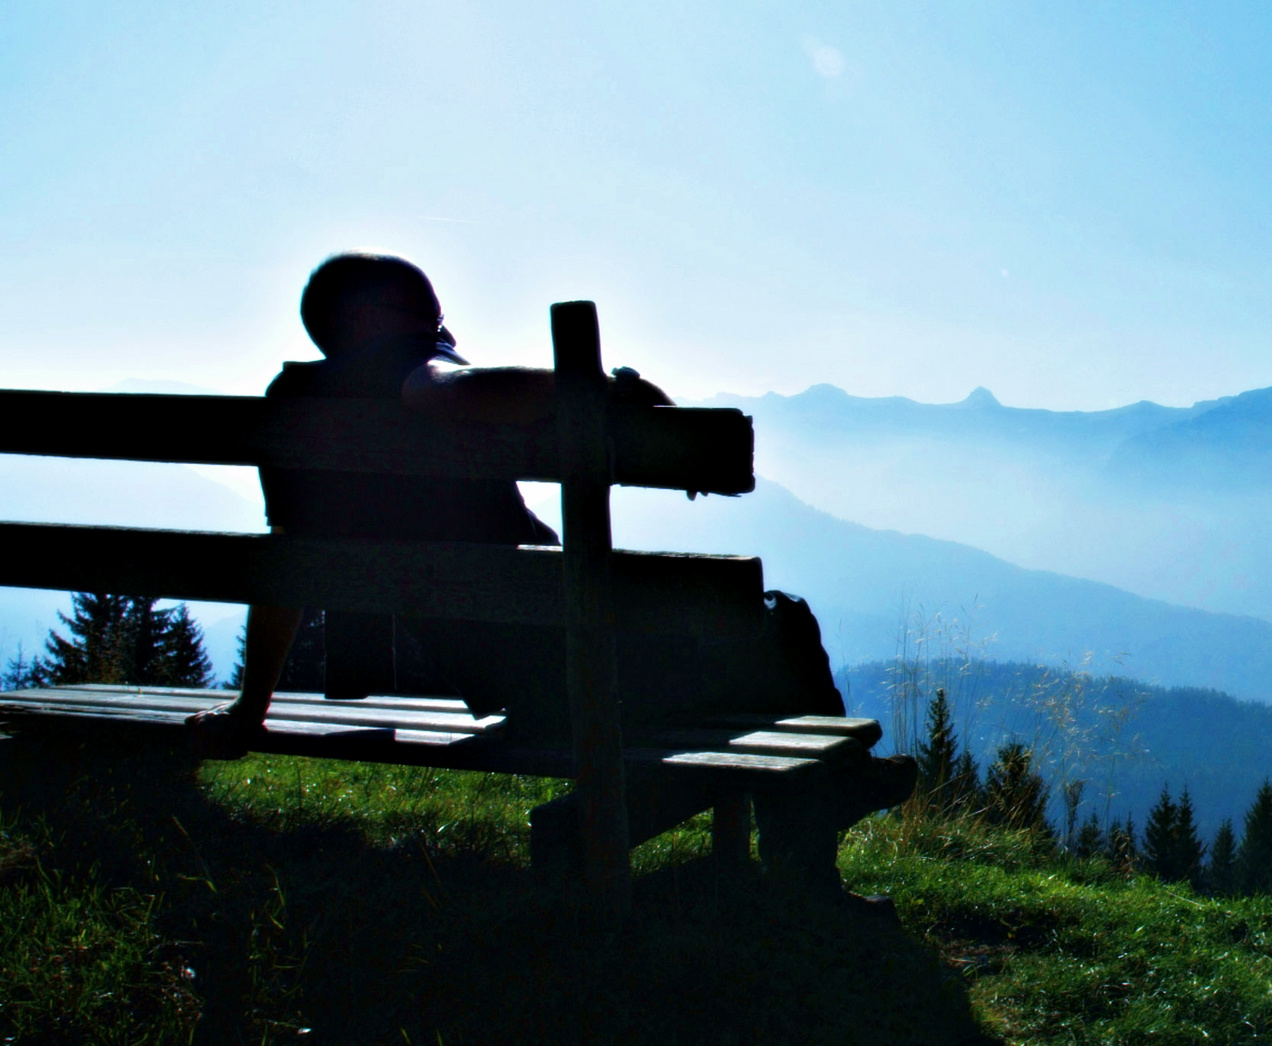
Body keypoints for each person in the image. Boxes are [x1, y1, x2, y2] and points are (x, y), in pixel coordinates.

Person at [184, 251, 850, 759]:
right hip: (582, 671)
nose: (445, 334)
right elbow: (447, 389)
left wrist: (251, 711)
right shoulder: (392, 373)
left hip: (514, 679)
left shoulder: (292, 408)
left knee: (749, 634)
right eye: (433, 319)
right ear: (371, 325)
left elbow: (286, 566)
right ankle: (808, 862)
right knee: (780, 626)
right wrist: (609, 389)